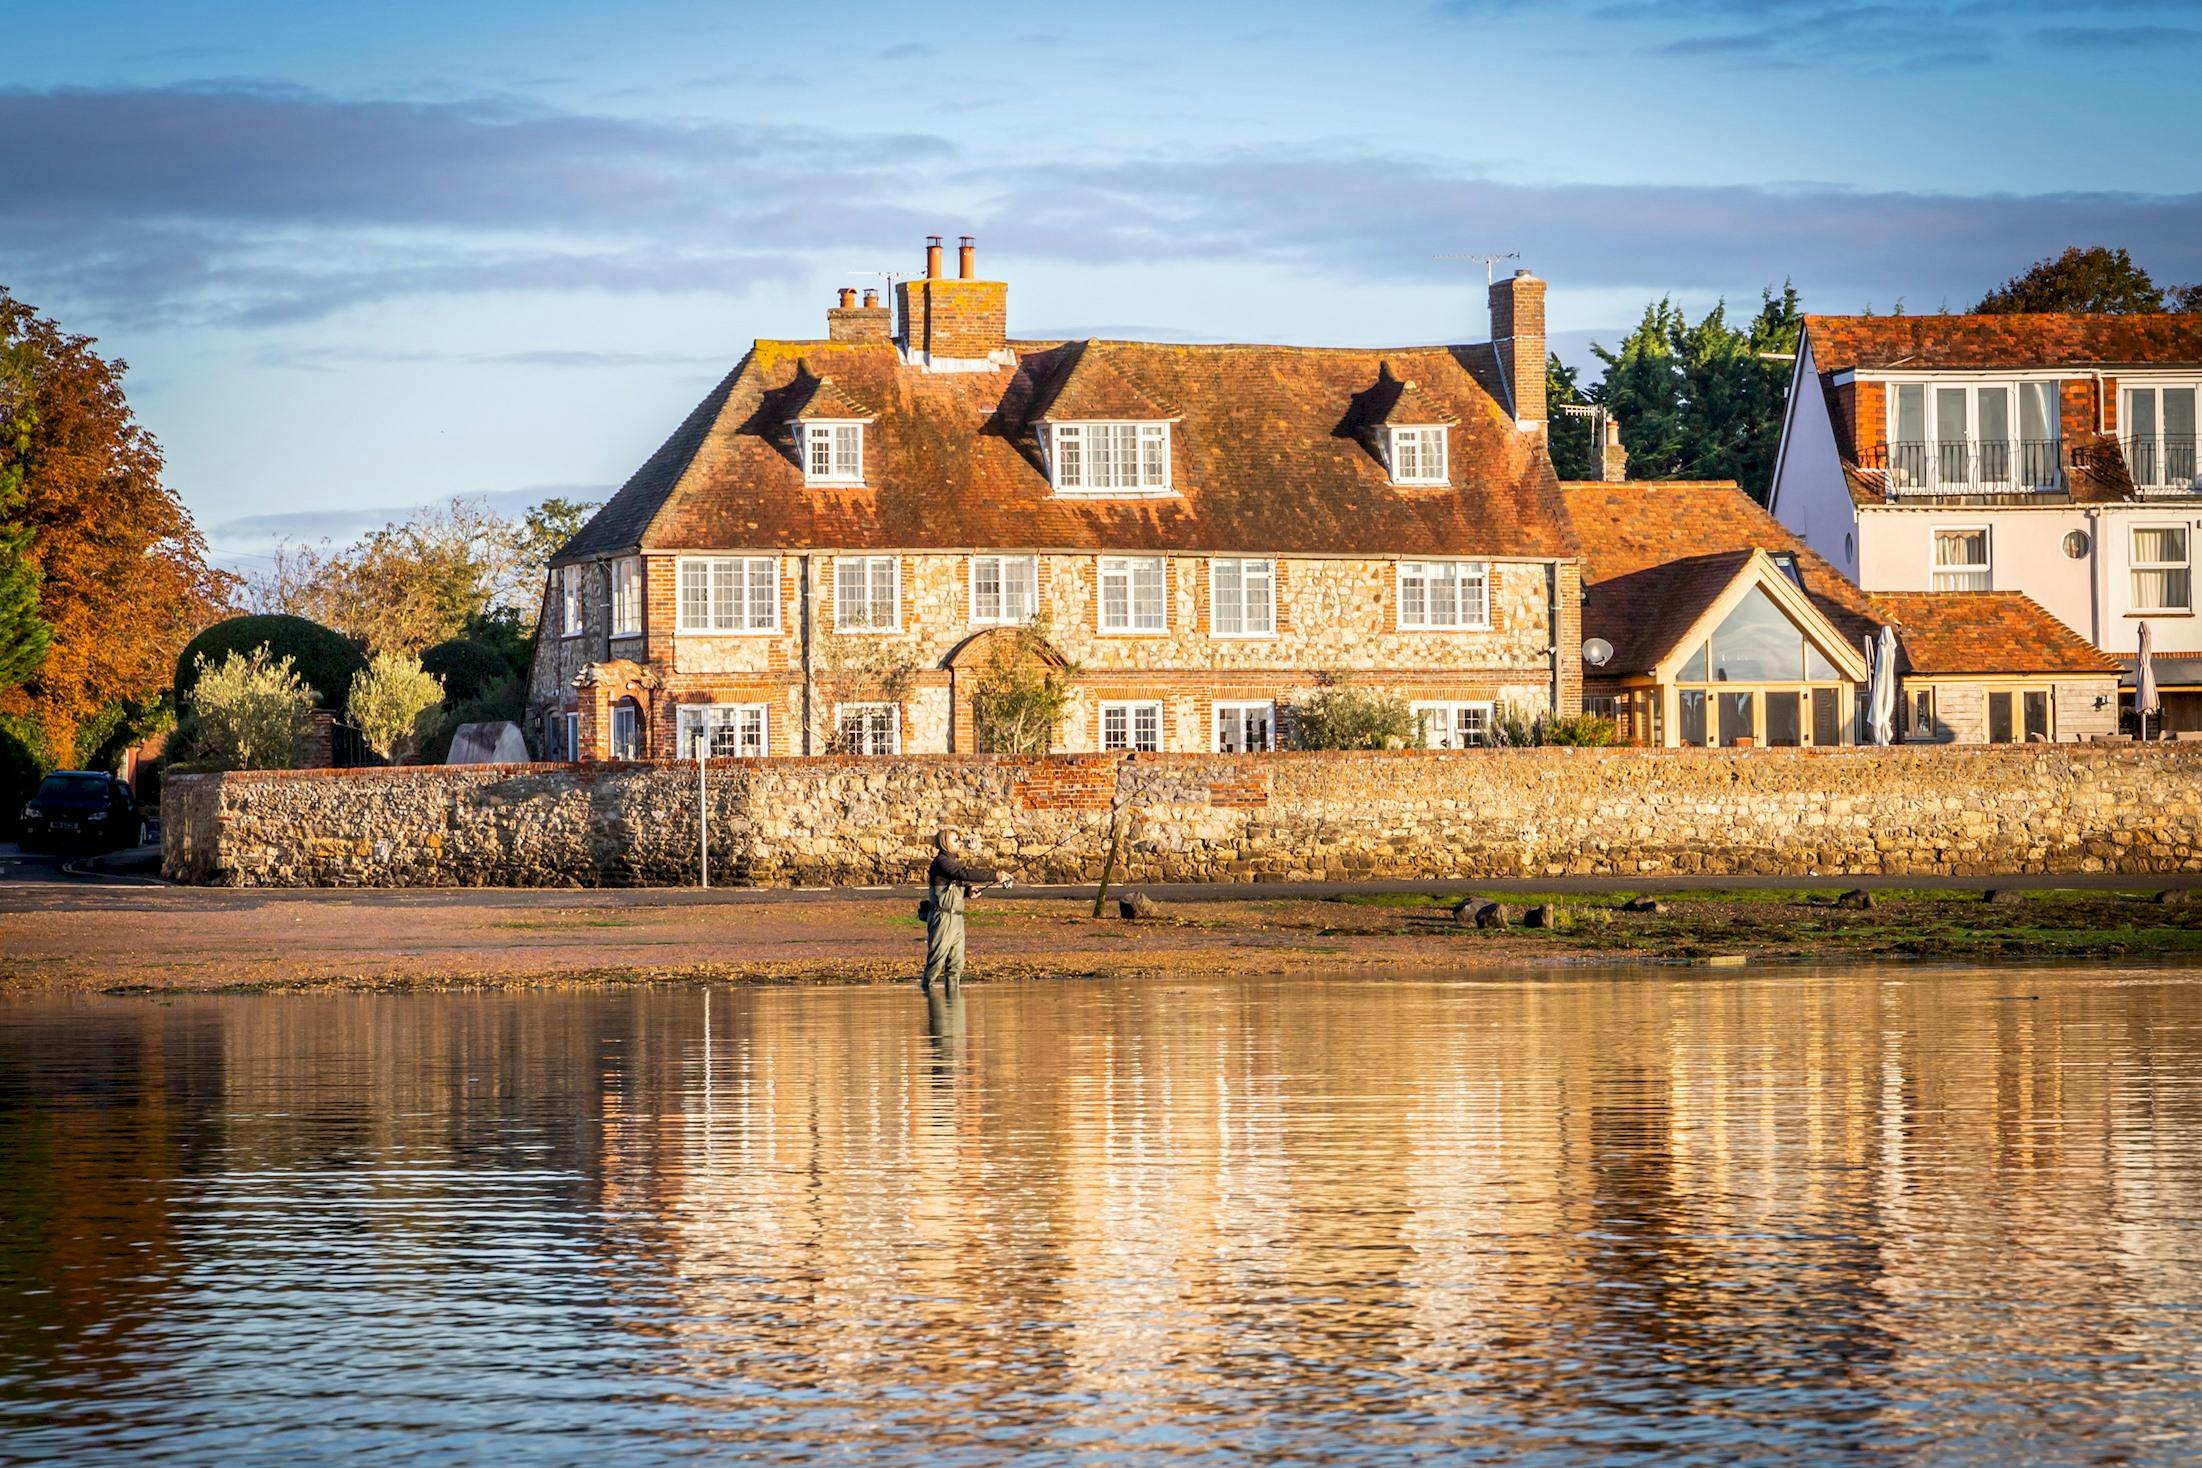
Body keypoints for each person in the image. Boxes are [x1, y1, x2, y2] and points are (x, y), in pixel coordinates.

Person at [921, 829, 1011, 995]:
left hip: (956, 919)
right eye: (956, 840)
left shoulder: (951, 863)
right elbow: (961, 873)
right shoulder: (941, 862)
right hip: (942, 918)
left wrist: (967, 891)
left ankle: (953, 1008)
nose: (960, 843)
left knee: (956, 963)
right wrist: (994, 875)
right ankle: (927, 992)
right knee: (936, 960)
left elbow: (955, 882)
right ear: (945, 843)